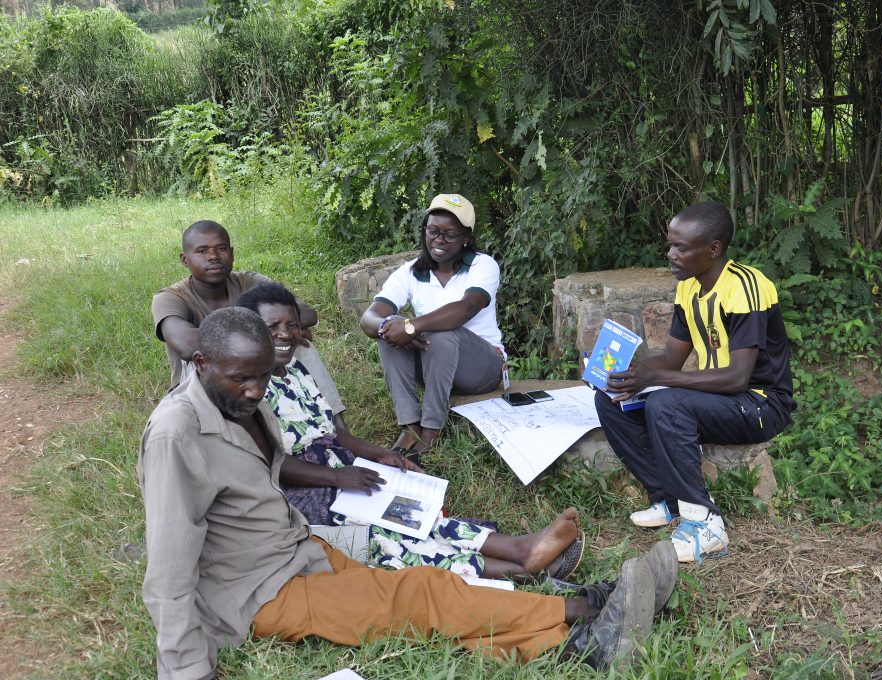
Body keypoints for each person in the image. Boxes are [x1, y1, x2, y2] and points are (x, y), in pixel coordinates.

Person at [137, 307, 679, 678]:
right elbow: (167, 568)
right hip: (260, 590)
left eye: (261, 377)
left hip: (299, 552)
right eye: (241, 380)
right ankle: (584, 615)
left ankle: (569, 623)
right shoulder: (175, 435)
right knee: (416, 596)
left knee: (426, 590)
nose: (255, 391)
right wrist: (187, 669)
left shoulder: (236, 398)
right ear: (200, 364)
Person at [236, 282, 586, 581]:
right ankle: (523, 568)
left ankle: (519, 548)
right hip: (299, 494)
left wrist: (382, 456)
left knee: (410, 508)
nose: (285, 334)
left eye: (292, 325)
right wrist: (337, 477)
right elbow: (271, 465)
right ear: (250, 330)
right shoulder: (248, 389)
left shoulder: (294, 370)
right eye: (272, 327)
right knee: (387, 532)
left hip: (336, 468)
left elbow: (334, 434)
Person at [594, 200, 796, 563]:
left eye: (681, 247)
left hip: (760, 403)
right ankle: (668, 498)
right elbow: (672, 359)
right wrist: (628, 373)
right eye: (671, 244)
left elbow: (738, 377)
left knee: (664, 402)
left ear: (713, 249)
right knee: (612, 398)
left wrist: (657, 378)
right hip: (718, 398)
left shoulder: (746, 287)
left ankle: (706, 523)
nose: (671, 254)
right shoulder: (688, 287)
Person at [151, 220, 380, 461]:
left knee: (300, 345)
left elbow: (305, 313)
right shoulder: (170, 298)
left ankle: (335, 428)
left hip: (255, 369)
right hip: (206, 380)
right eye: (202, 251)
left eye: (222, 248)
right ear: (184, 259)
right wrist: (264, 332)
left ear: (232, 252)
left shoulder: (248, 281)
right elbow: (187, 345)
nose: (214, 256)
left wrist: (284, 329)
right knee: (217, 355)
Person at [359, 194, 505, 458]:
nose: (439, 239)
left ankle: (430, 429)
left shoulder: (483, 265)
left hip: (482, 368)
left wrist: (413, 326)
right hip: (435, 366)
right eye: (433, 231)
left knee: (440, 329)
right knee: (389, 325)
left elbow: (466, 308)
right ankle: (409, 425)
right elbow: (369, 318)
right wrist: (389, 326)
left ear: (466, 238)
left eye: (450, 234)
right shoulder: (411, 271)